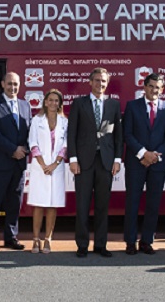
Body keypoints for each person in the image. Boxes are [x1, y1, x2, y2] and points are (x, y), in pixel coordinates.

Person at [68, 67, 123, 258]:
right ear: (90, 82)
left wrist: (117, 159)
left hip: (106, 162)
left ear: (107, 83)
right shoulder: (79, 104)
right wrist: (73, 159)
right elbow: (72, 133)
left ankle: (101, 244)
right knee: (82, 205)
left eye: (103, 81)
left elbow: (117, 135)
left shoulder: (113, 105)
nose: (100, 84)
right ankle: (82, 244)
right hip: (83, 162)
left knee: (102, 205)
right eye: (97, 80)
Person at [122, 73, 165, 255]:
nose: (154, 90)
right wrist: (143, 153)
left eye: (158, 87)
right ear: (144, 87)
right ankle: (130, 241)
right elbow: (127, 134)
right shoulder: (132, 106)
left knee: (153, 203)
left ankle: (147, 241)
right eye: (151, 86)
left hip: (158, 164)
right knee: (132, 203)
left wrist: (155, 156)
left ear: (162, 89)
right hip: (136, 162)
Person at [0, 72, 31, 253]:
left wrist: (24, 148)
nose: (13, 87)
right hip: (1, 163)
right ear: (3, 84)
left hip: (19, 164)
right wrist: (13, 150)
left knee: (14, 204)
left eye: (16, 84)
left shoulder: (25, 106)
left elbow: (29, 132)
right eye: (9, 84)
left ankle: (11, 238)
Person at [26, 88, 68, 254]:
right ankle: (35, 239)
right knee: (39, 204)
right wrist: (44, 165)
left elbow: (65, 145)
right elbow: (33, 144)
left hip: (56, 169)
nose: (53, 103)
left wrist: (54, 164)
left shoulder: (64, 122)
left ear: (60, 104)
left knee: (52, 205)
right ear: (45, 102)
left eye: (56, 100)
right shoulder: (37, 120)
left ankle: (48, 239)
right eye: (50, 100)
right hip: (40, 168)